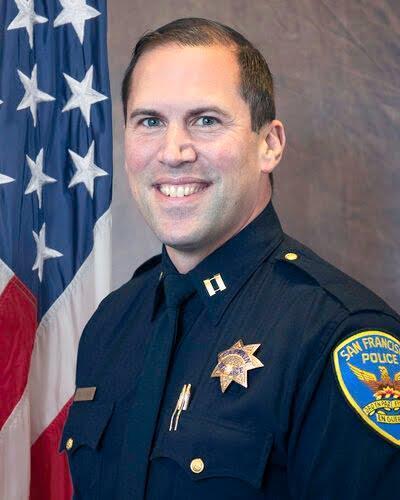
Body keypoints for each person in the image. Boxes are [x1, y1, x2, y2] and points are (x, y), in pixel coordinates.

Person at [60, 18, 400, 500]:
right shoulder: (111, 323)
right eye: (150, 121)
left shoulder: (339, 338)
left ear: (269, 145)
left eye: (206, 120)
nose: (173, 152)